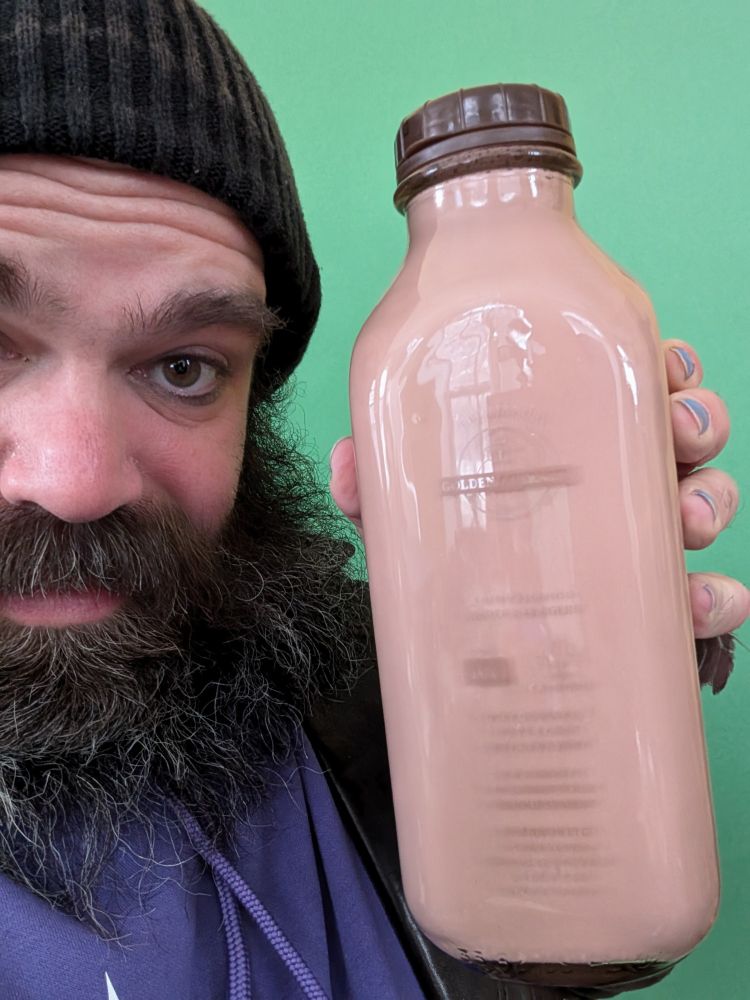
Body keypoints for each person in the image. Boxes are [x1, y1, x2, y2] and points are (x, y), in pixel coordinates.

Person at [0, 2, 744, 999]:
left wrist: (574, 690)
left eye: (184, 366)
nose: (78, 483)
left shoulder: (382, 700)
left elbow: (553, 948)